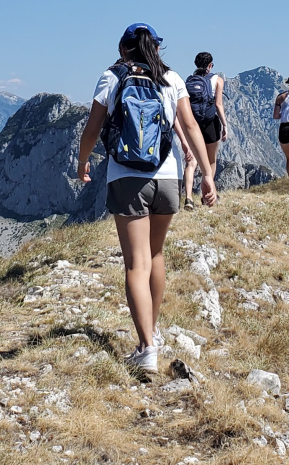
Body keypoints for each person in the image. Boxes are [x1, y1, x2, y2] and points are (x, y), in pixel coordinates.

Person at [77, 23, 217, 374]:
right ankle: (150, 334)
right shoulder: (172, 80)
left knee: (135, 264)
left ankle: (146, 348)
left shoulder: (112, 77)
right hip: (167, 178)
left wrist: (82, 162)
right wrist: (207, 174)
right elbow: (191, 128)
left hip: (127, 178)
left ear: (124, 48)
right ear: (156, 48)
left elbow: (92, 130)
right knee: (155, 255)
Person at [182, 52, 227, 210]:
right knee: (210, 161)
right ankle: (207, 195)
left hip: (193, 123)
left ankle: (188, 198)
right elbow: (219, 104)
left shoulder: (189, 81)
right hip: (210, 124)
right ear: (210, 65)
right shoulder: (217, 80)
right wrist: (225, 125)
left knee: (191, 161)